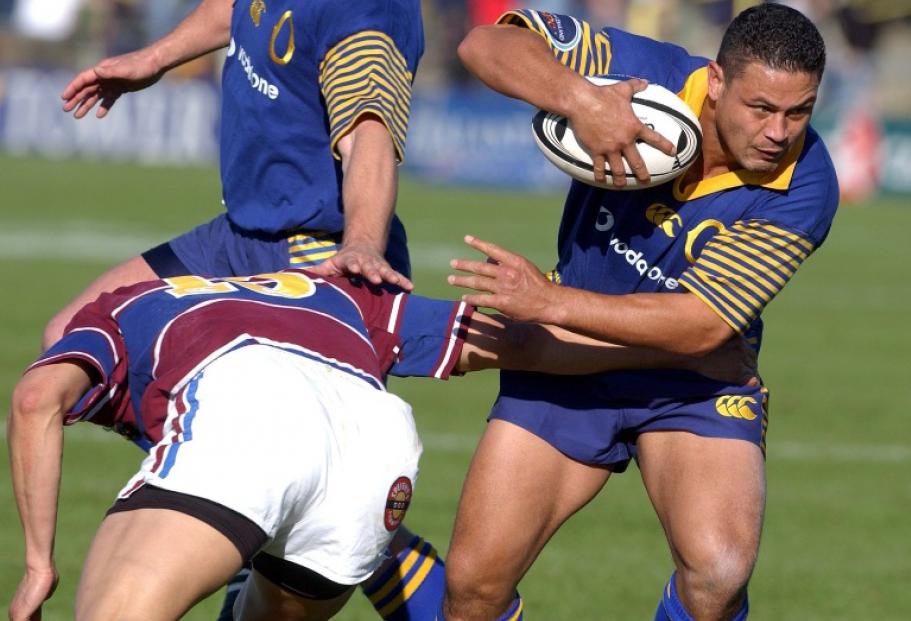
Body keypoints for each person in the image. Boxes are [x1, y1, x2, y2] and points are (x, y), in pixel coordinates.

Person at [7, 270, 754, 621]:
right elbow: (516, 342)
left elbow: (38, 398)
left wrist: (39, 564)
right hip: (373, 446)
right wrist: (671, 353)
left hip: (246, 410)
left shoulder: (115, 315)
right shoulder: (334, 295)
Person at [442, 4, 838, 621]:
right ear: (717, 83)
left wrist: (549, 303)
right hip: (566, 359)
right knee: (473, 588)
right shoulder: (649, 74)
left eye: (799, 111)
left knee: (718, 574)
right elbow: (485, 46)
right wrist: (583, 100)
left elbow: (703, 324)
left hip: (691, 379)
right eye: (761, 108)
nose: (779, 132)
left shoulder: (808, 183)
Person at [53, 1, 442, 618]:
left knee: (311, 478)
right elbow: (236, 8)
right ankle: (266, 513)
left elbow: (369, 128)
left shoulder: (364, 11)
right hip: (239, 233)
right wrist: (152, 58)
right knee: (72, 343)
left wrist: (361, 243)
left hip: (312, 249)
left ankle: (361, 542)